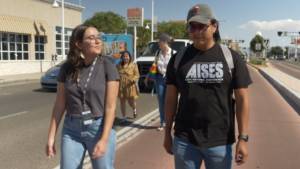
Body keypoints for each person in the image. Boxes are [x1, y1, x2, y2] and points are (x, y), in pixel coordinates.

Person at [163, 4, 253, 169]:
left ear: (214, 26)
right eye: (192, 27)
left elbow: (242, 101)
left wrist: (242, 138)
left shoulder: (231, 59)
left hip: (220, 141)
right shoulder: (177, 59)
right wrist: (167, 132)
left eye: (202, 26)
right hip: (185, 140)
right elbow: (170, 99)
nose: (197, 32)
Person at [45, 24, 119, 169]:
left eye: (99, 38)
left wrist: (104, 139)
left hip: (99, 128)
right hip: (71, 129)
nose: (98, 41)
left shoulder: (108, 68)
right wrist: (51, 137)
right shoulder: (67, 68)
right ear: (78, 44)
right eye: (92, 38)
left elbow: (111, 107)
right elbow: (59, 105)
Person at [144, 34, 175, 131]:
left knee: (169, 102)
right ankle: (163, 123)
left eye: (159, 41)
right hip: (159, 79)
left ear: (165, 42)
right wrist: (147, 77)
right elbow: (154, 65)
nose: (158, 43)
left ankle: (171, 121)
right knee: (161, 103)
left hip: (170, 81)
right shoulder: (158, 52)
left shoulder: (174, 53)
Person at [116, 51, 140, 124]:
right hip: (121, 87)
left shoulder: (133, 65)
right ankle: (124, 118)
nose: (125, 58)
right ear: (122, 57)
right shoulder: (118, 65)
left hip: (130, 86)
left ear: (129, 57)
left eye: (127, 56)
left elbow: (137, 75)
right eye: (124, 56)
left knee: (131, 102)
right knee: (122, 102)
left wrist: (132, 79)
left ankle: (134, 109)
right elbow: (115, 73)